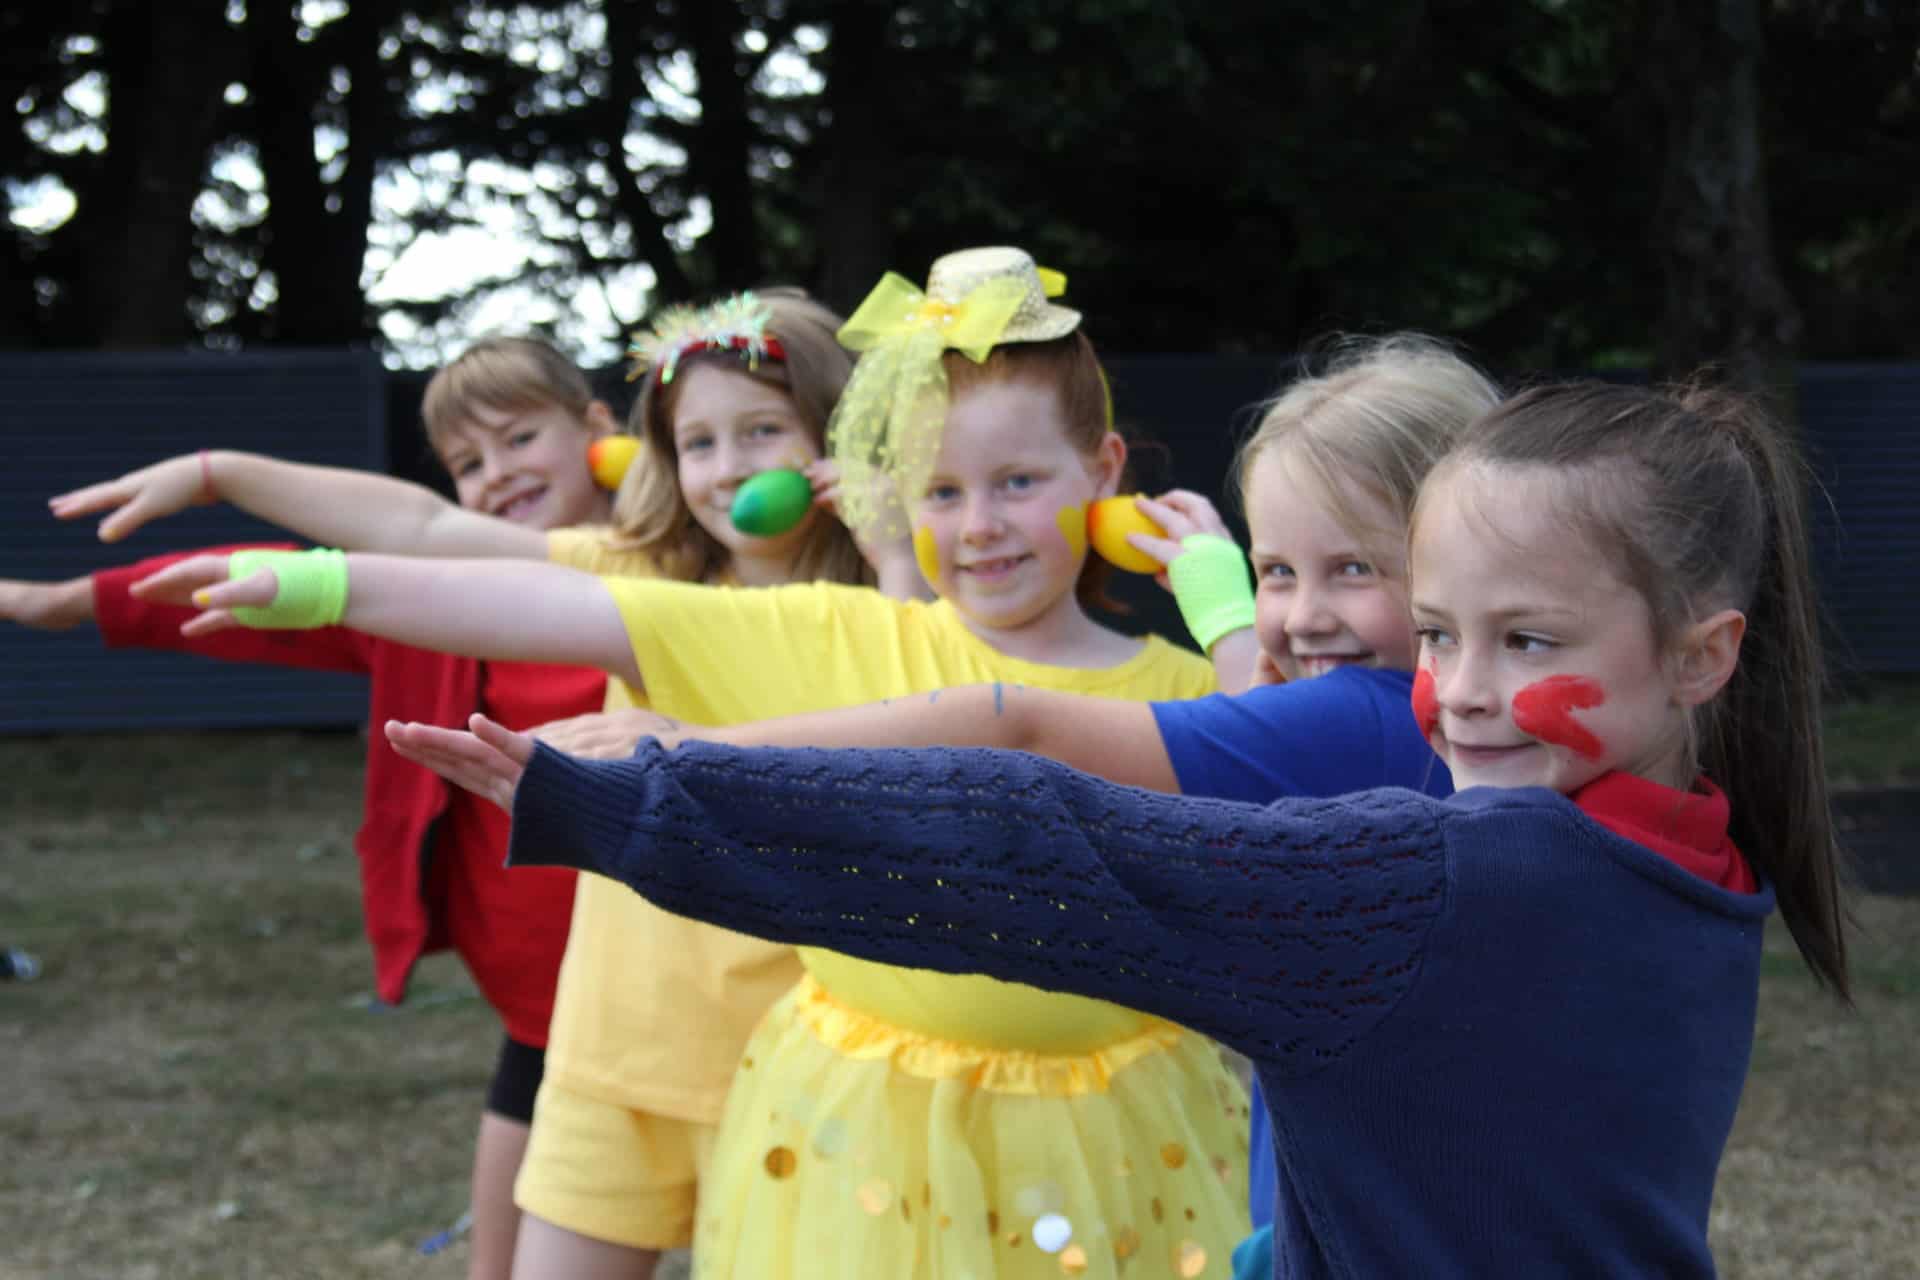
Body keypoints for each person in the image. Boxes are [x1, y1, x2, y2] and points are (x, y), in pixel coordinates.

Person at [388, 379, 1851, 1277]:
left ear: (1703, 653)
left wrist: (650, 796)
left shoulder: (1442, 883)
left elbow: (1043, 849)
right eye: (1445, 634)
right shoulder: (1707, 861)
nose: (1460, 697)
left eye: (1529, 642)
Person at [133, 247, 1252, 1279]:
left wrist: (1228, 609)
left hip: (1114, 1145)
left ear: (1102, 468)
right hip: (859, 1132)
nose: (981, 527)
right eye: (943, 493)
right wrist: (328, 580)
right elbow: (553, 598)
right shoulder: (844, 634)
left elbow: (1298, 799)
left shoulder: (1183, 681)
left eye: (1019, 482)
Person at [472, 332, 1502, 1265]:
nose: (1307, 613)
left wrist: (696, 748)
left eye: (1353, 568)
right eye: (1279, 569)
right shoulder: (1478, 737)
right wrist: (1232, 617)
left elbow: (1023, 725)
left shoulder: (1368, 716)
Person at [23, 295, 889, 1280]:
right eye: (697, 442)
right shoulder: (641, 569)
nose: (729, 467)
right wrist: (229, 479)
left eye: (763, 431)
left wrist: (896, 535)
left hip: (807, 1055)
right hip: (614, 1050)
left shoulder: (897, 607)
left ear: (837, 437)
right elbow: (426, 528)